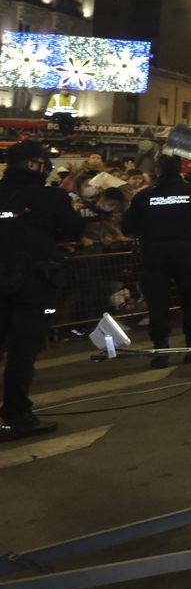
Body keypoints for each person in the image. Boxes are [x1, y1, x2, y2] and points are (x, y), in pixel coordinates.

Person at [0, 141, 83, 440]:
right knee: (22, 352)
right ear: (33, 164)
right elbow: (74, 229)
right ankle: (16, 414)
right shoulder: (51, 198)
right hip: (31, 284)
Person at [123, 155, 191, 368]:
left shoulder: (144, 196)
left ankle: (162, 351)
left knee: (157, 303)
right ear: (179, 168)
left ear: (157, 170)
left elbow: (127, 227)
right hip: (187, 252)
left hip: (154, 254)